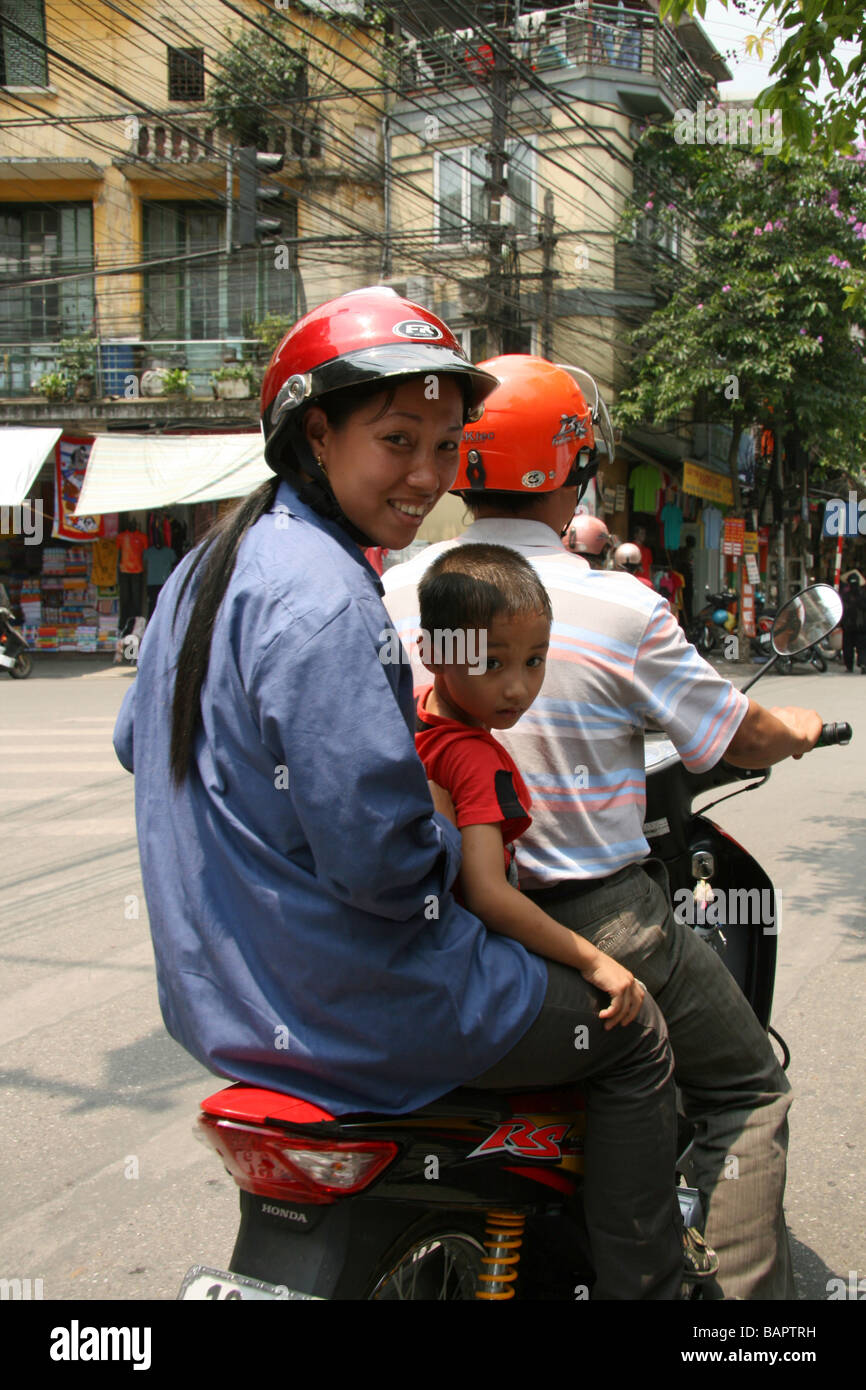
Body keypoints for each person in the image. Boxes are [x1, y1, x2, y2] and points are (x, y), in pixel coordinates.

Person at [112, 291, 684, 1300]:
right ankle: (656, 1293)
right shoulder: (327, 597)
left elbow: (136, 741)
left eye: (443, 445)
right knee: (635, 1037)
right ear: (315, 433)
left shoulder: (208, 564)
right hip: (352, 1006)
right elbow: (384, 868)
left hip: (218, 997)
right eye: (394, 441)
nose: (425, 476)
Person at [382, 353, 825, 1301]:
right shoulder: (621, 604)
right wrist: (800, 729)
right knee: (749, 1090)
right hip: (598, 915)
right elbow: (734, 737)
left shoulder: (402, 589)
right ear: (575, 469)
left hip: (442, 920)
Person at [840, 573, 866, 672]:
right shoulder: (863, 594)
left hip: (848, 626)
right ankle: (863, 664)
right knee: (862, 647)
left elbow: (841, 610)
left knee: (848, 647)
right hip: (862, 626)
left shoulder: (845, 595)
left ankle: (849, 666)